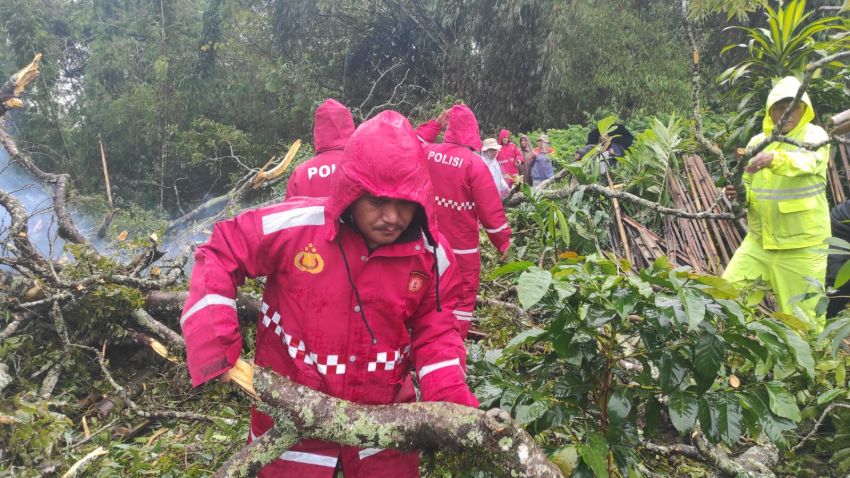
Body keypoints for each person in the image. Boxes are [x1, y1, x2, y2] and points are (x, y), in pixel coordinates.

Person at [181, 110, 478, 477]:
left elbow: (437, 333)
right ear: (351, 192)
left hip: (382, 423)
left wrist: (452, 407)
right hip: (291, 419)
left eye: (405, 203)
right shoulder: (297, 228)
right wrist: (214, 344)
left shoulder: (431, 254)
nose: (392, 217)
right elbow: (221, 250)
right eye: (377, 201)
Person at [722, 76, 830, 332]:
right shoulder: (757, 143)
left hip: (802, 248)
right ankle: (734, 351)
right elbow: (748, 185)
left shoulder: (815, 135)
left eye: (793, 107)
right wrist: (739, 193)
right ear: (770, 111)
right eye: (779, 108)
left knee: (805, 323)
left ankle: (808, 359)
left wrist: (775, 159)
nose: (786, 113)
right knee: (725, 299)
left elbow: (807, 162)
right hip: (759, 243)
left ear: (804, 109)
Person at [416, 105, 512, 338]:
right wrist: (504, 242)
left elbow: (410, 143)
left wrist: (434, 126)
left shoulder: (428, 152)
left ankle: (421, 339)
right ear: (473, 131)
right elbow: (490, 211)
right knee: (461, 296)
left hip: (426, 241)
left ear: (450, 129)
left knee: (424, 290)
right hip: (461, 248)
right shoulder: (474, 164)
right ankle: (453, 343)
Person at [286, 99, 355, 198]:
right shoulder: (361, 165)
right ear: (348, 125)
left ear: (318, 129)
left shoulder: (299, 174)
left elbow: (291, 207)